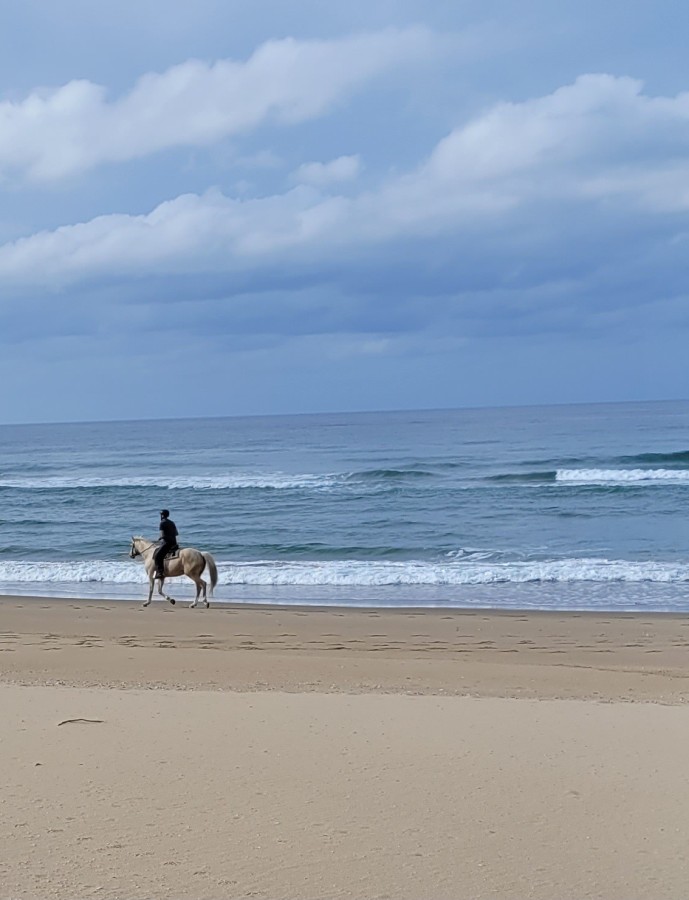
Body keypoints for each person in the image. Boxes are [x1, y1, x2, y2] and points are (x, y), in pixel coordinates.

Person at [154, 509, 179, 580]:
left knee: (157, 556)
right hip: (174, 543)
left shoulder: (162, 523)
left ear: (162, 515)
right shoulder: (172, 522)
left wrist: (160, 538)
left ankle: (160, 572)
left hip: (167, 543)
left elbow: (162, 535)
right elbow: (176, 534)